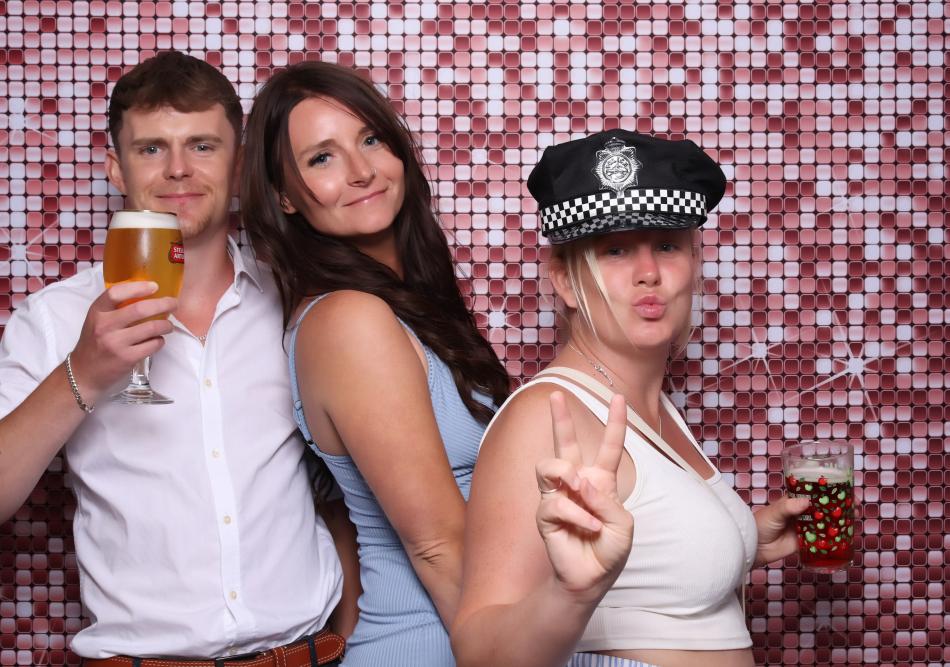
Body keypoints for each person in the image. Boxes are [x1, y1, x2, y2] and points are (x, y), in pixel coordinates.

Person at [0, 51, 348, 666]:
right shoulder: (54, 318)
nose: (178, 169)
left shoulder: (298, 301)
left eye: (202, 146)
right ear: (117, 168)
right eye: (152, 148)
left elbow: (355, 488)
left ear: (238, 166)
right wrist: (82, 375)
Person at [451, 130, 811, 667]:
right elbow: (479, 653)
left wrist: (741, 542)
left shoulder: (650, 405)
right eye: (615, 250)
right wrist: (572, 594)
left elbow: (650, 580)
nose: (649, 273)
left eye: (667, 245)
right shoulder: (545, 416)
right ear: (565, 281)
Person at [240, 61, 510, 666]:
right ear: (284, 196)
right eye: (322, 158)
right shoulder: (348, 322)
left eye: (370, 140)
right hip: (440, 644)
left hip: (485, 627)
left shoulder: (409, 304)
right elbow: (438, 546)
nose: (361, 171)